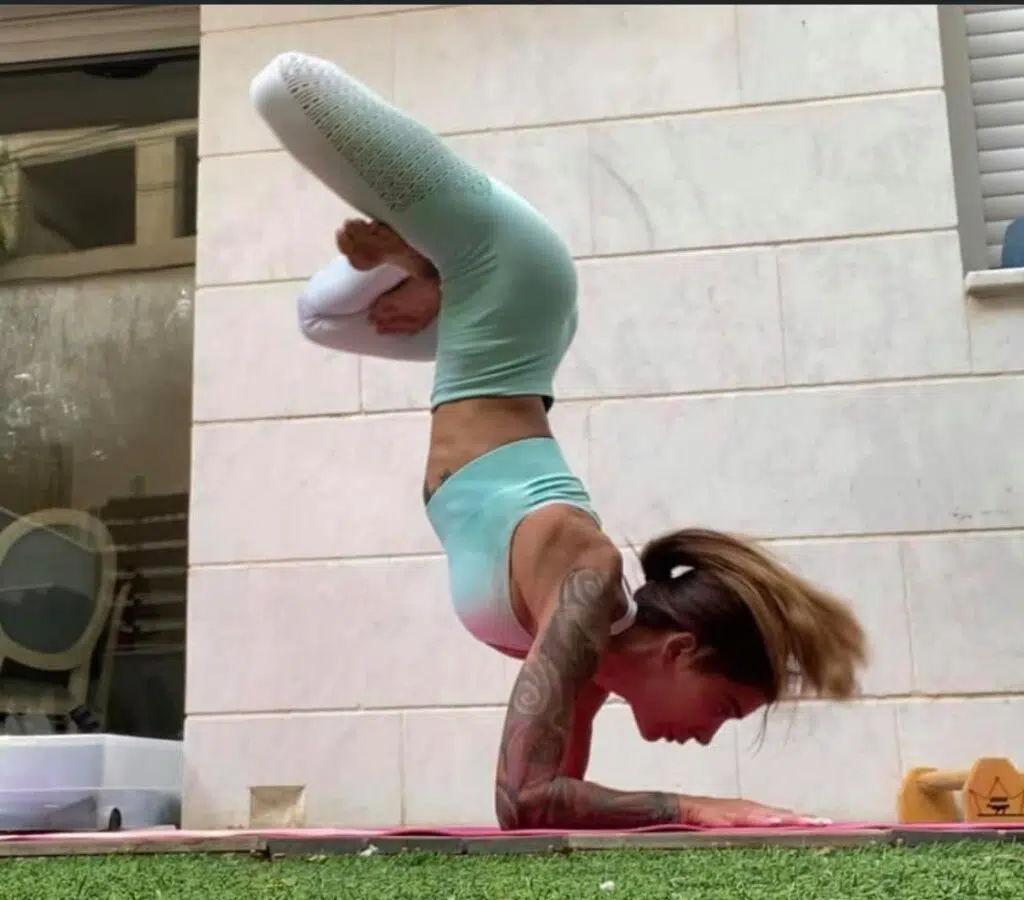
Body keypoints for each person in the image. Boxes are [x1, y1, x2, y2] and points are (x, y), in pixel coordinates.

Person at [251, 52, 869, 832]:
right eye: (723, 708)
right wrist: (711, 808)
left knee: (320, 318)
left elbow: (533, 814)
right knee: (284, 86)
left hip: (507, 335)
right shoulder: (589, 571)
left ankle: (429, 272)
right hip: (516, 268)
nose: (707, 738)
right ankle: (436, 259)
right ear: (681, 652)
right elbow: (529, 793)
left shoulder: (590, 665)